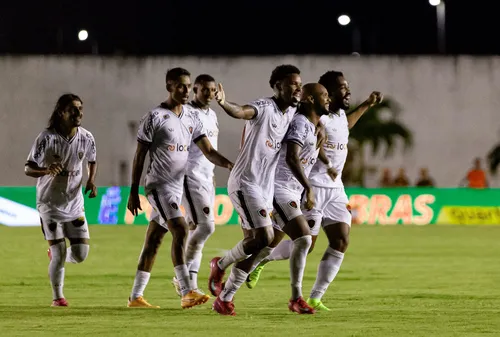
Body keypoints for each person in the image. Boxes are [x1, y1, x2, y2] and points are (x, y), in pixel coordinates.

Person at [246, 70, 383, 311]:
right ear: (327, 92)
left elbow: (346, 126)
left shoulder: (338, 116)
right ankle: (259, 261)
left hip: (336, 189)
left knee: (341, 240)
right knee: (305, 243)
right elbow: (307, 139)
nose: (347, 91)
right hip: (313, 187)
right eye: (342, 88)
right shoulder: (316, 117)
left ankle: (315, 297)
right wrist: (326, 164)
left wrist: (366, 105)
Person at [126, 68, 233, 309]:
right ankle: (187, 290)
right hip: (159, 185)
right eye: (181, 86)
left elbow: (207, 150)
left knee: (153, 240)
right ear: (169, 86)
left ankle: (135, 297)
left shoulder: (190, 117)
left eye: (187, 86)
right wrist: (133, 191)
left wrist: (229, 164)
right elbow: (139, 155)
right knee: (181, 229)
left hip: (175, 186)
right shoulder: (154, 117)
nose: (185, 91)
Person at [208, 65, 302, 316]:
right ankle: (222, 271)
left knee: (257, 244)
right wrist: (224, 103)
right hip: (245, 183)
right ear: (278, 85)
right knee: (264, 239)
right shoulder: (265, 107)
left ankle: (223, 283)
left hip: (265, 187)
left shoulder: (292, 112)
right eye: (292, 83)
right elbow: (241, 111)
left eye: (299, 84)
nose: (297, 88)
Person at [25, 93, 98, 307]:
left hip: (75, 205)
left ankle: (57, 257)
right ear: (61, 112)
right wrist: (46, 170)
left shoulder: (87, 137)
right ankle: (58, 298)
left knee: (81, 254)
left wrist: (91, 181)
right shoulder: (46, 138)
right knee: (59, 252)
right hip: (49, 204)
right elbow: (28, 168)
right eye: (73, 109)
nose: (78, 113)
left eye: (80, 108)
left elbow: (92, 160)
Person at [157, 74, 219, 296]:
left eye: (213, 90)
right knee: (206, 227)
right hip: (189, 176)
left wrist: (212, 175)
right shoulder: (187, 113)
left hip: (206, 177)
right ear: (196, 90)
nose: (210, 94)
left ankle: (191, 285)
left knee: (197, 229)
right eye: (205, 90)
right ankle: (181, 278)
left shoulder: (211, 114)